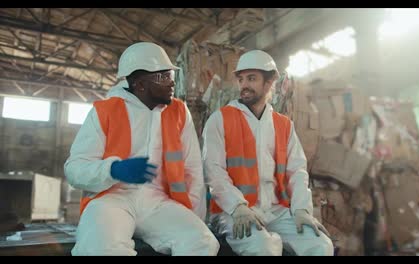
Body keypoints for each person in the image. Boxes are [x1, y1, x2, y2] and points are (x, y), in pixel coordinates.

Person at [64, 42, 219, 256]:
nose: (171, 83)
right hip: (111, 198)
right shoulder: (106, 110)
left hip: (158, 202)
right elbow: (75, 169)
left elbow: (192, 170)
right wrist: (113, 170)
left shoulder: (179, 112)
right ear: (140, 84)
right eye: (163, 76)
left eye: (170, 76)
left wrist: (194, 217)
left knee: (202, 242)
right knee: (100, 248)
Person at [202, 50, 334, 256]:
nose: (244, 85)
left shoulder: (284, 125)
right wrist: (237, 206)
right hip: (233, 212)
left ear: (269, 81)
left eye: (252, 78)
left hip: (278, 212)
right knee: (263, 247)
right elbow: (213, 170)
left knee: (321, 245)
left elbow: (297, 171)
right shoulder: (220, 120)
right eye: (241, 79)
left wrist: (301, 209)